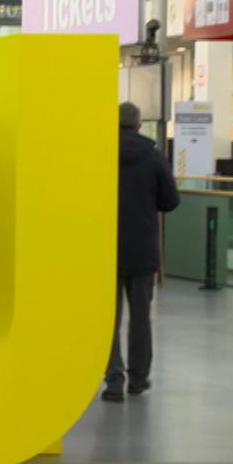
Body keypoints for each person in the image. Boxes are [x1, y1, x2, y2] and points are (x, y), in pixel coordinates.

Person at [100, 102, 180, 403]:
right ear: (139, 125)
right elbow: (170, 202)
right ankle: (138, 377)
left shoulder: (100, 155)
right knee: (140, 318)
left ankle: (113, 380)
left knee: (109, 319)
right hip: (143, 250)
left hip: (105, 249)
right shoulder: (154, 157)